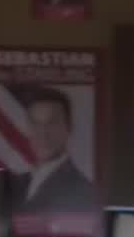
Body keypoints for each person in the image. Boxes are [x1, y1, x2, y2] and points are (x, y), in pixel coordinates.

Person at [13, 86, 99, 216]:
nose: (43, 133)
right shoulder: (17, 183)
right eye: (35, 123)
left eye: (52, 123)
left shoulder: (83, 190)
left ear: (69, 127)